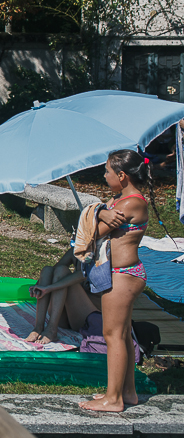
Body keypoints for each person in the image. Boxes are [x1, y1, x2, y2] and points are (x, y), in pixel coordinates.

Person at [79, 149, 156, 412]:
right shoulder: (118, 200)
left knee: (112, 335)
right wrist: (100, 211)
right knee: (121, 335)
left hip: (124, 276)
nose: (104, 176)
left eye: (107, 172)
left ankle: (114, 399)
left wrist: (98, 214)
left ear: (121, 175)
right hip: (120, 274)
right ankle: (128, 392)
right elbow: (99, 220)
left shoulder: (131, 203)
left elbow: (94, 233)